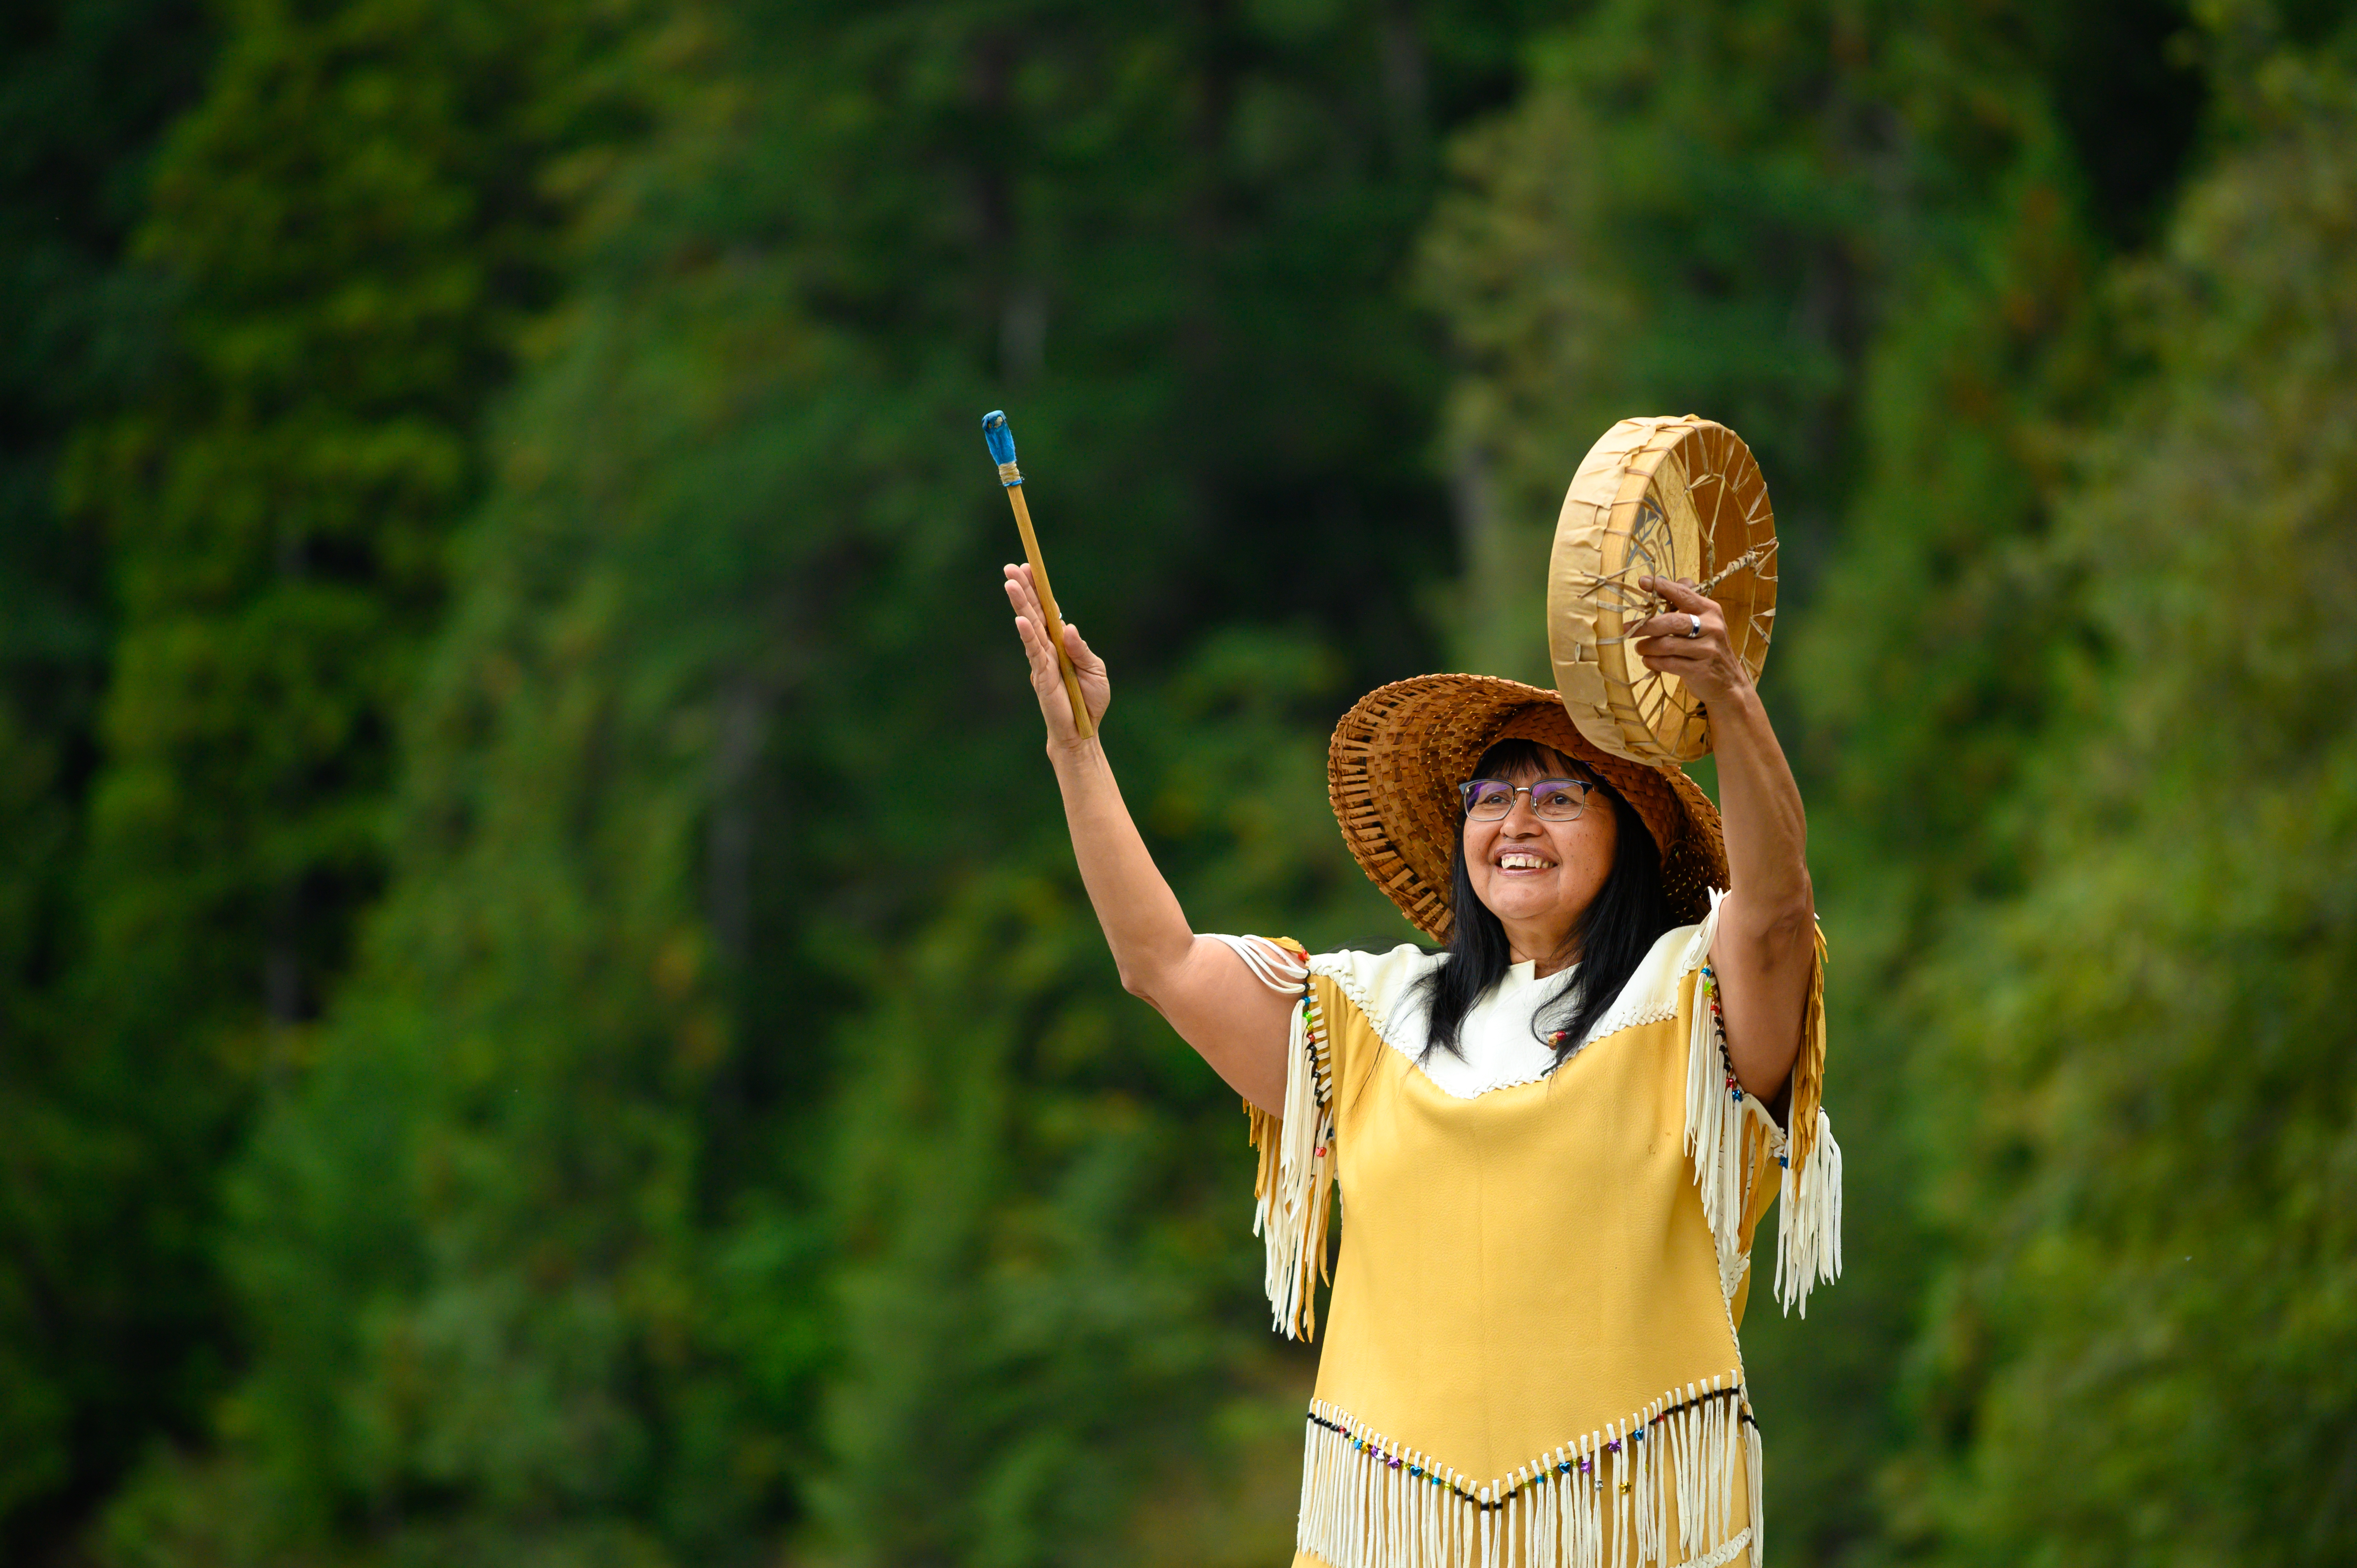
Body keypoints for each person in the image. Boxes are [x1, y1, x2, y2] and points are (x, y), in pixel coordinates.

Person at [1003, 561, 1838, 1568]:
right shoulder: (1364, 1014)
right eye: (1491, 796)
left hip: (1633, 1530)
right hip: (1393, 1537)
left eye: (1561, 797)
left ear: (1638, 835)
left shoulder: (1690, 997)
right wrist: (1075, 745)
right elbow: (1162, 963)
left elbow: (1778, 910)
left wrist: (1731, 705)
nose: (1516, 823)